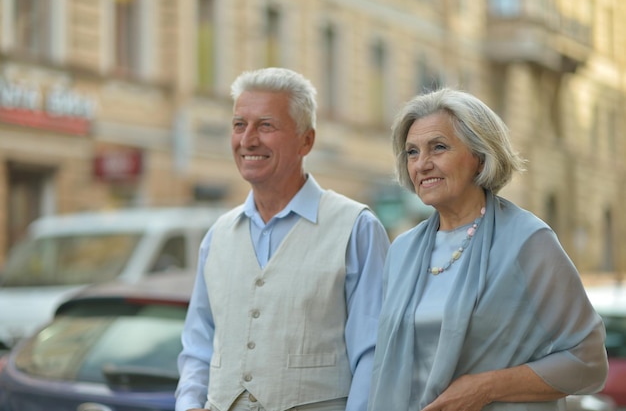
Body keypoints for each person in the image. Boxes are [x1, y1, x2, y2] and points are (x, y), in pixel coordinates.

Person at [368, 88, 608, 411]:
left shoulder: (529, 241)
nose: (422, 164)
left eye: (438, 147)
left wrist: (485, 388)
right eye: (412, 152)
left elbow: (588, 361)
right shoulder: (402, 251)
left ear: (479, 156)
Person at [175, 67, 390, 411]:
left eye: (265, 125)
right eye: (239, 125)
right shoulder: (218, 236)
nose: (247, 140)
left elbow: (374, 352)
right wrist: (188, 404)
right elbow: (198, 345)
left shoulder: (356, 228)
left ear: (307, 140)